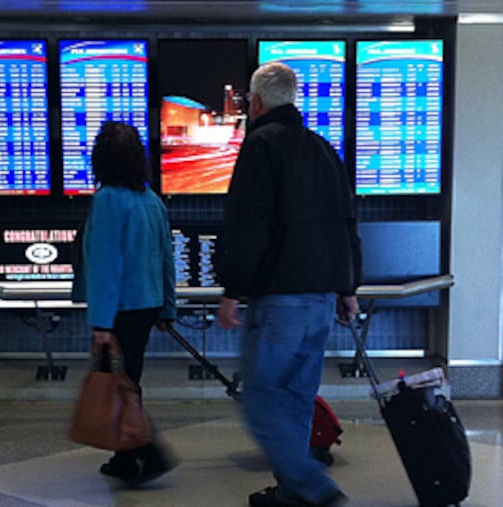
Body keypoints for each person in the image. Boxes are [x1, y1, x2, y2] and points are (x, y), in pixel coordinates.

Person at [217, 62, 362, 507]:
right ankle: (292, 492)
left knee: (261, 398)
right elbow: (345, 221)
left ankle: (315, 489)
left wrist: (232, 289)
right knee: (298, 399)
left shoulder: (260, 145)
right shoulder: (322, 148)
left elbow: (249, 224)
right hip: (320, 301)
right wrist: (347, 287)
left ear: (256, 102)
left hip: (280, 299)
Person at [76, 120, 178, 486]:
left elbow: (105, 264)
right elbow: (167, 257)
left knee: (117, 381)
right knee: (128, 378)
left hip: (118, 308)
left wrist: (101, 323)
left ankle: (148, 452)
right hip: (147, 304)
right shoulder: (151, 200)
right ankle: (125, 455)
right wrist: (168, 308)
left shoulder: (107, 200)